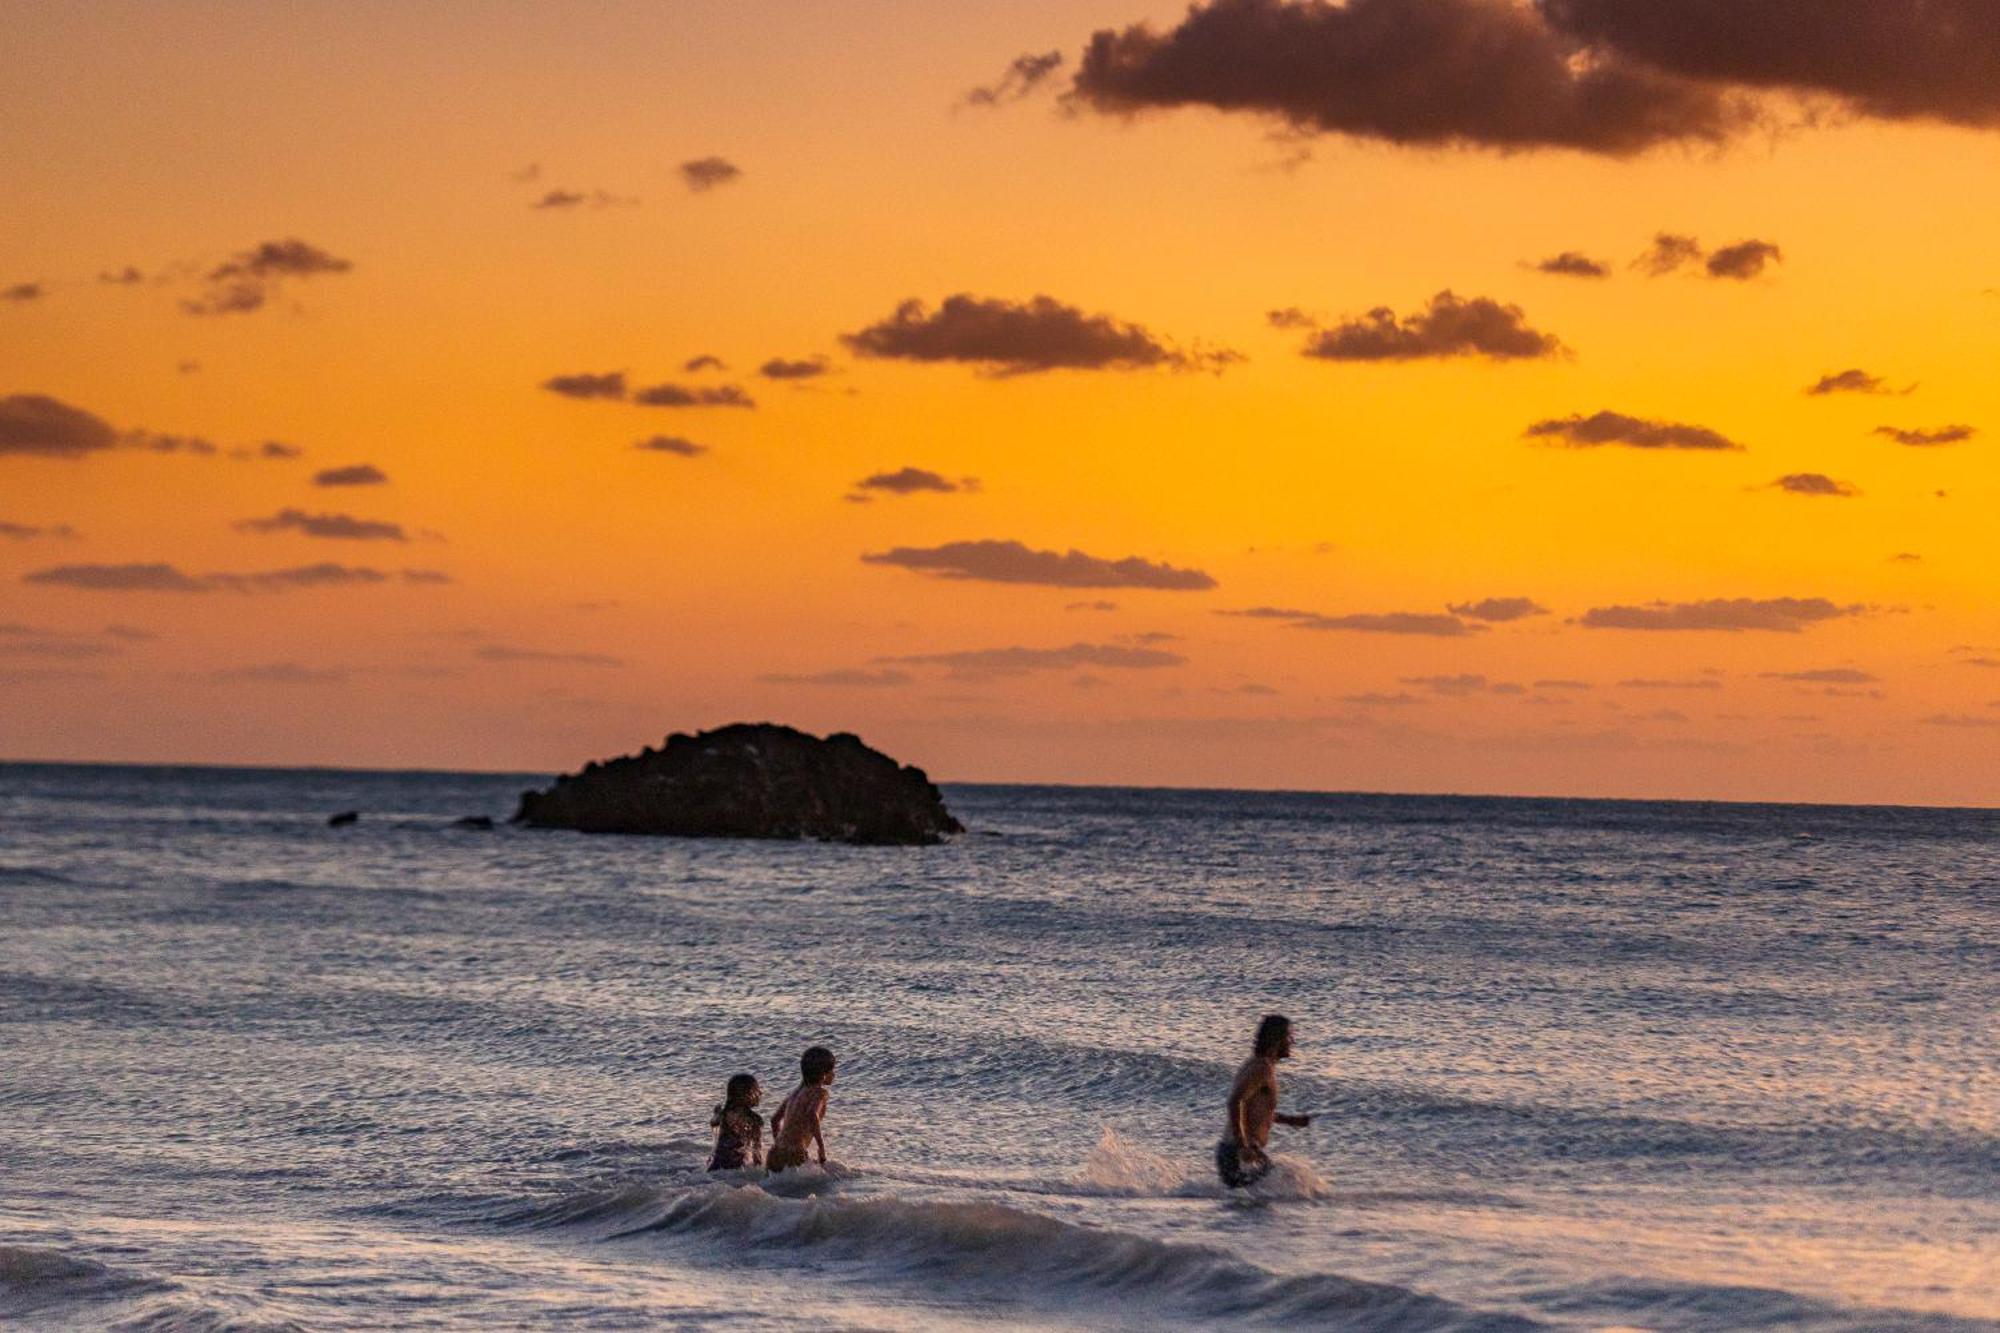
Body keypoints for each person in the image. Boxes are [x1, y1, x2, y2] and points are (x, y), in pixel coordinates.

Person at [1216, 1014, 1310, 1189]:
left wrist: (1290, 1120)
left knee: (1280, 1190)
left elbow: (1256, 1112)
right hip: (1238, 1153)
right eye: (1289, 1036)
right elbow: (1235, 1102)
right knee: (1288, 1188)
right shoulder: (1262, 1068)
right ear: (1277, 1039)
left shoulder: (1258, 1065)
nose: (1293, 1041)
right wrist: (1243, 1145)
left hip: (1234, 1153)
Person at [766, 1045, 835, 1172]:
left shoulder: (794, 1093)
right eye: (832, 1071)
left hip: (774, 1153)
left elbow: (774, 1120)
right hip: (795, 1153)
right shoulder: (820, 1093)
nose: (834, 1074)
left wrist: (781, 1147)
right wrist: (821, 1148)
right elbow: (812, 1115)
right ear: (823, 1074)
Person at [707, 1073, 764, 1171]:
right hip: (736, 1168)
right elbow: (756, 1153)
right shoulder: (755, 1120)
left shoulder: (725, 1114)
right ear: (747, 1095)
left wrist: (716, 1113)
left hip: (716, 1166)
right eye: (757, 1089)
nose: (761, 1093)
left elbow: (713, 1123)